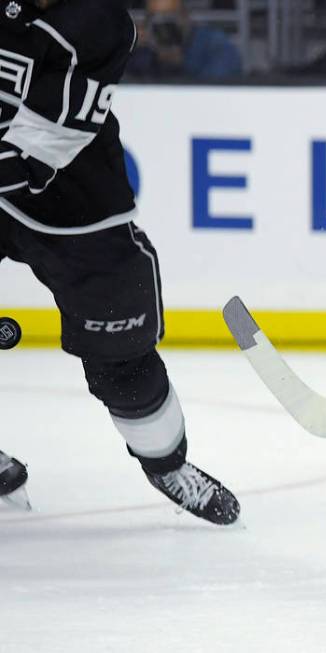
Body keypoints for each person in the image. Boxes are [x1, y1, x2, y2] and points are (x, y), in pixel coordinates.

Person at [0, 0, 239, 525]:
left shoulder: (96, 23)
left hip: (73, 206)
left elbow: (37, 153)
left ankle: (165, 463)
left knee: (121, 356)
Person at [128, 0, 243, 80]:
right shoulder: (142, 51)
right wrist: (125, 49)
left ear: (185, 16)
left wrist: (181, 63)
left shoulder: (215, 46)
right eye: (155, 20)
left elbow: (215, 89)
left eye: (168, 20)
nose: (163, 30)